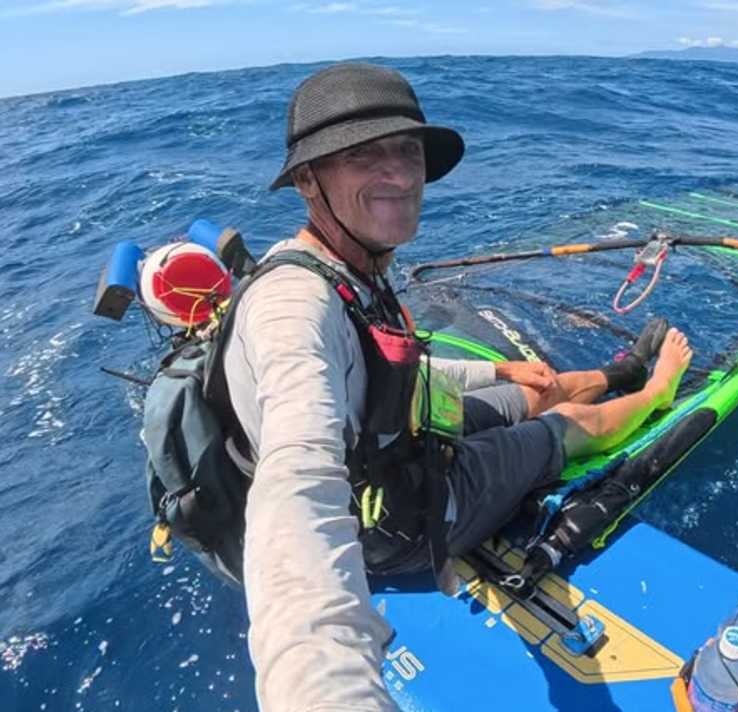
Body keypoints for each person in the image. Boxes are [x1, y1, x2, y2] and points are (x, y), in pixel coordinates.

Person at [225, 62, 693, 712]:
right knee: (546, 433)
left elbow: (388, 371)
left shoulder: (346, 263)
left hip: (400, 427)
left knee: (535, 387)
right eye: (363, 155)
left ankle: (617, 374)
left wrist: (503, 372)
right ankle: (654, 392)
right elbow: (296, 482)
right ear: (308, 179)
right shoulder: (292, 310)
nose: (396, 173)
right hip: (398, 515)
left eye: (407, 152)